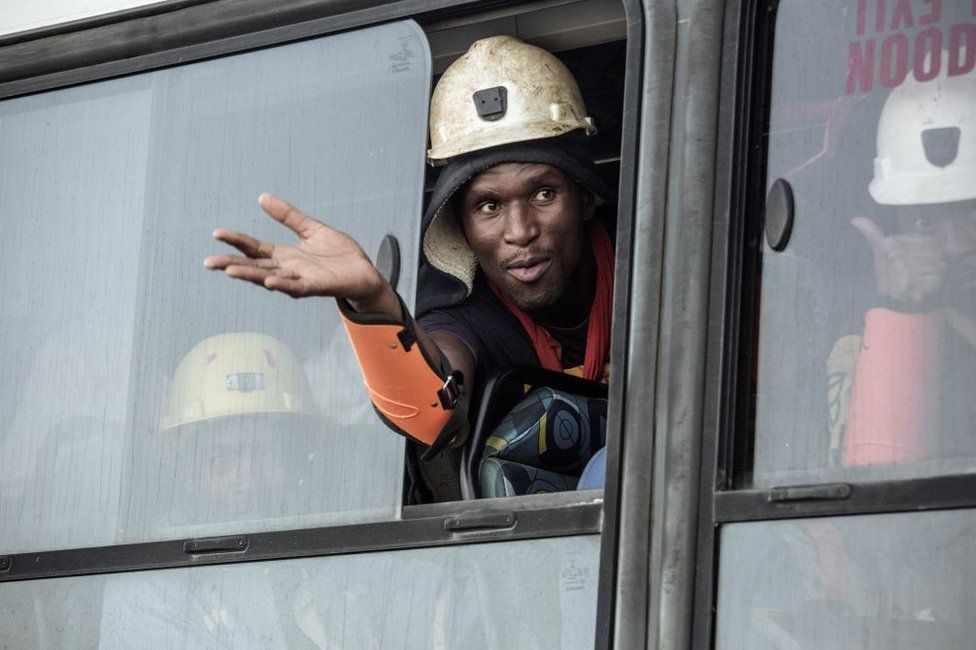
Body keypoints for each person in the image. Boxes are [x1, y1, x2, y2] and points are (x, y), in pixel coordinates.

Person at [205, 36, 615, 502]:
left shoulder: (654, 262)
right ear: (460, 224)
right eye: (488, 206)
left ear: (585, 197)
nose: (519, 231)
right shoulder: (465, 312)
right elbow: (434, 412)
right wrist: (373, 305)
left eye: (543, 194)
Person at [828, 55, 975, 468]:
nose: (956, 245)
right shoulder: (864, 347)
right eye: (925, 221)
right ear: (895, 224)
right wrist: (906, 313)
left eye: (973, 212)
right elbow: (876, 512)